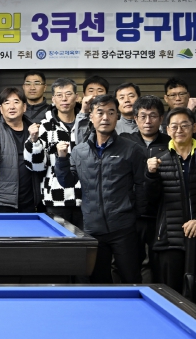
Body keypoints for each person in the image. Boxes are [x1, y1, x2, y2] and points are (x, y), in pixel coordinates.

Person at [55, 94, 147, 284]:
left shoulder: (132, 149)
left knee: (131, 279)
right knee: (99, 281)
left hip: (124, 228)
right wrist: (62, 158)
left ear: (117, 116)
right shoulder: (79, 151)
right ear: (91, 116)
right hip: (93, 229)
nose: (105, 117)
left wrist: (136, 215)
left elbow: (142, 185)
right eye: (100, 112)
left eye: (111, 112)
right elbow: (67, 182)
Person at [144, 107, 196, 314]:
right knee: (171, 299)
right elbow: (150, 201)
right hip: (170, 239)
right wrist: (150, 175)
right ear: (167, 130)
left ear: (194, 128)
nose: (179, 130)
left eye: (184, 125)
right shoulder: (157, 158)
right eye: (174, 126)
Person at [121, 95, 171, 282]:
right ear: (135, 118)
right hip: (131, 214)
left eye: (153, 116)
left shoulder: (170, 143)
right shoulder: (125, 142)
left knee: (160, 265)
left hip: (161, 215)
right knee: (129, 264)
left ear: (161, 118)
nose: (148, 121)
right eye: (143, 116)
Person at [24, 78, 83, 228]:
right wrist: (34, 141)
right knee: (60, 242)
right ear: (53, 99)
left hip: (86, 198)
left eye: (68, 94)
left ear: (76, 97)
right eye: (59, 95)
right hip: (56, 199)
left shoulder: (87, 125)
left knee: (86, 241)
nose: (64, 99)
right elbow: (36, 167)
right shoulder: (44, 127)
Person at [0, 87, 38, 213]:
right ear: (1, 109)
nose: (12, 107)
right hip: (2, 200)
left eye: (16, 102)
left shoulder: (35, 130)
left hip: (31, 201)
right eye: (7, 103)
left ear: (24, 107)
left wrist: (35, 140)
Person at [75, 75, 111, 142]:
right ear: (84, 94)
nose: (95, 94)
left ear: (106, 94)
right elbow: (80, 141)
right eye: (91, 91)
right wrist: (84, 111)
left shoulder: (112, 115)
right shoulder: (78, 115)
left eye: (100, 91)